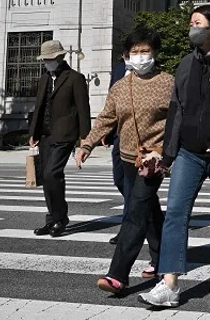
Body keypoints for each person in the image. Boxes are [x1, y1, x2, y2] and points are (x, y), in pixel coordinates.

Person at [140, 5, 210, 309]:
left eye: (197, 22)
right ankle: (170, 284)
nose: (192, 26)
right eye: (191, 22)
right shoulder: (187, 64)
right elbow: (177, 111)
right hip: (190, 153)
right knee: (175, 213)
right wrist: (168, 153)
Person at [75, 28, 175, 294]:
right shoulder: (121, 86)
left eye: (145, 51)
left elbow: (179, 121)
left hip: (153, 160)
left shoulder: (168, 82)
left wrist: (168, 152)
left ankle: (117, 275)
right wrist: (87, 144)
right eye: (135, 52)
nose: (140, 56)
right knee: (148, 211)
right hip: (127, 157)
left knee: (134, 212)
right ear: (127, 56)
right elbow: (107, 118)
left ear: (155, 53)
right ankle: (161, 259)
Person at [28, 39, 91, 237]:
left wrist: (85, 139)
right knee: (46, 178)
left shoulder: (75, 78)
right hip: (45, 135)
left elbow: (83, 109)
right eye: (44, 59)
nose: (46, 62)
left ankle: (61, 218)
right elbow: (39, 106)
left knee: (52, 174)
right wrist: (33, 133)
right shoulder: (45, 78)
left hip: (65, 134)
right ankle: (53, 218)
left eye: (49, 59)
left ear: (59, 57)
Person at [107, 58, 131, 245]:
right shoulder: (119, 69)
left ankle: (127, 229)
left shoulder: (156, 71)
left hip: (143, 139)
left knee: (134, 186)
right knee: (119, 179)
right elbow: (111, 101)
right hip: (119, 134)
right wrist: (106, 131)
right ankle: (144, 212)